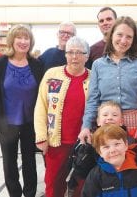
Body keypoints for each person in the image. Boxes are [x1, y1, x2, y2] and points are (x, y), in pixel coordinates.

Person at [0, 24, 43, 197]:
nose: (23, 41)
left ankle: (30, 193)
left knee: (30, 161)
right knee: (9, 163)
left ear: (30, 42)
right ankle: (15, 194)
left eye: (27, 38)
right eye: (20, 37)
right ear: (12, 40)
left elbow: (42, 93)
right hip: (6, 123)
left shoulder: (37, 65)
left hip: (30, 123)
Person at [78, 16, 137, 145]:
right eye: (119, 34)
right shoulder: (98, 65)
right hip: (106, 129)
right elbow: (93, 101)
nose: (123, 40)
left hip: (136, 131)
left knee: (133, 164)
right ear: (111, 35)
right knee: (108, 164)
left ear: (134, 40)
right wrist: (85, 126)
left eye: (129, 37)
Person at [34, 36, 90, 197]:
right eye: (70, 52)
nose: (74, 56)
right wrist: (41, 137)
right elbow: (41, 107)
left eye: (80, 52)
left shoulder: (94, 78)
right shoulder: (52, 74)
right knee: (53, 183)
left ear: (87, 56)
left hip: (84, 143)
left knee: (82, 184)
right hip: (55, 143)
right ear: (65, 54)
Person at [81, 124, 137, 197]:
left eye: (117, 144)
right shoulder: (95, 176)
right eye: (106, 147)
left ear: (126, 145)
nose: (112, 150)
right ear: (99, 152)